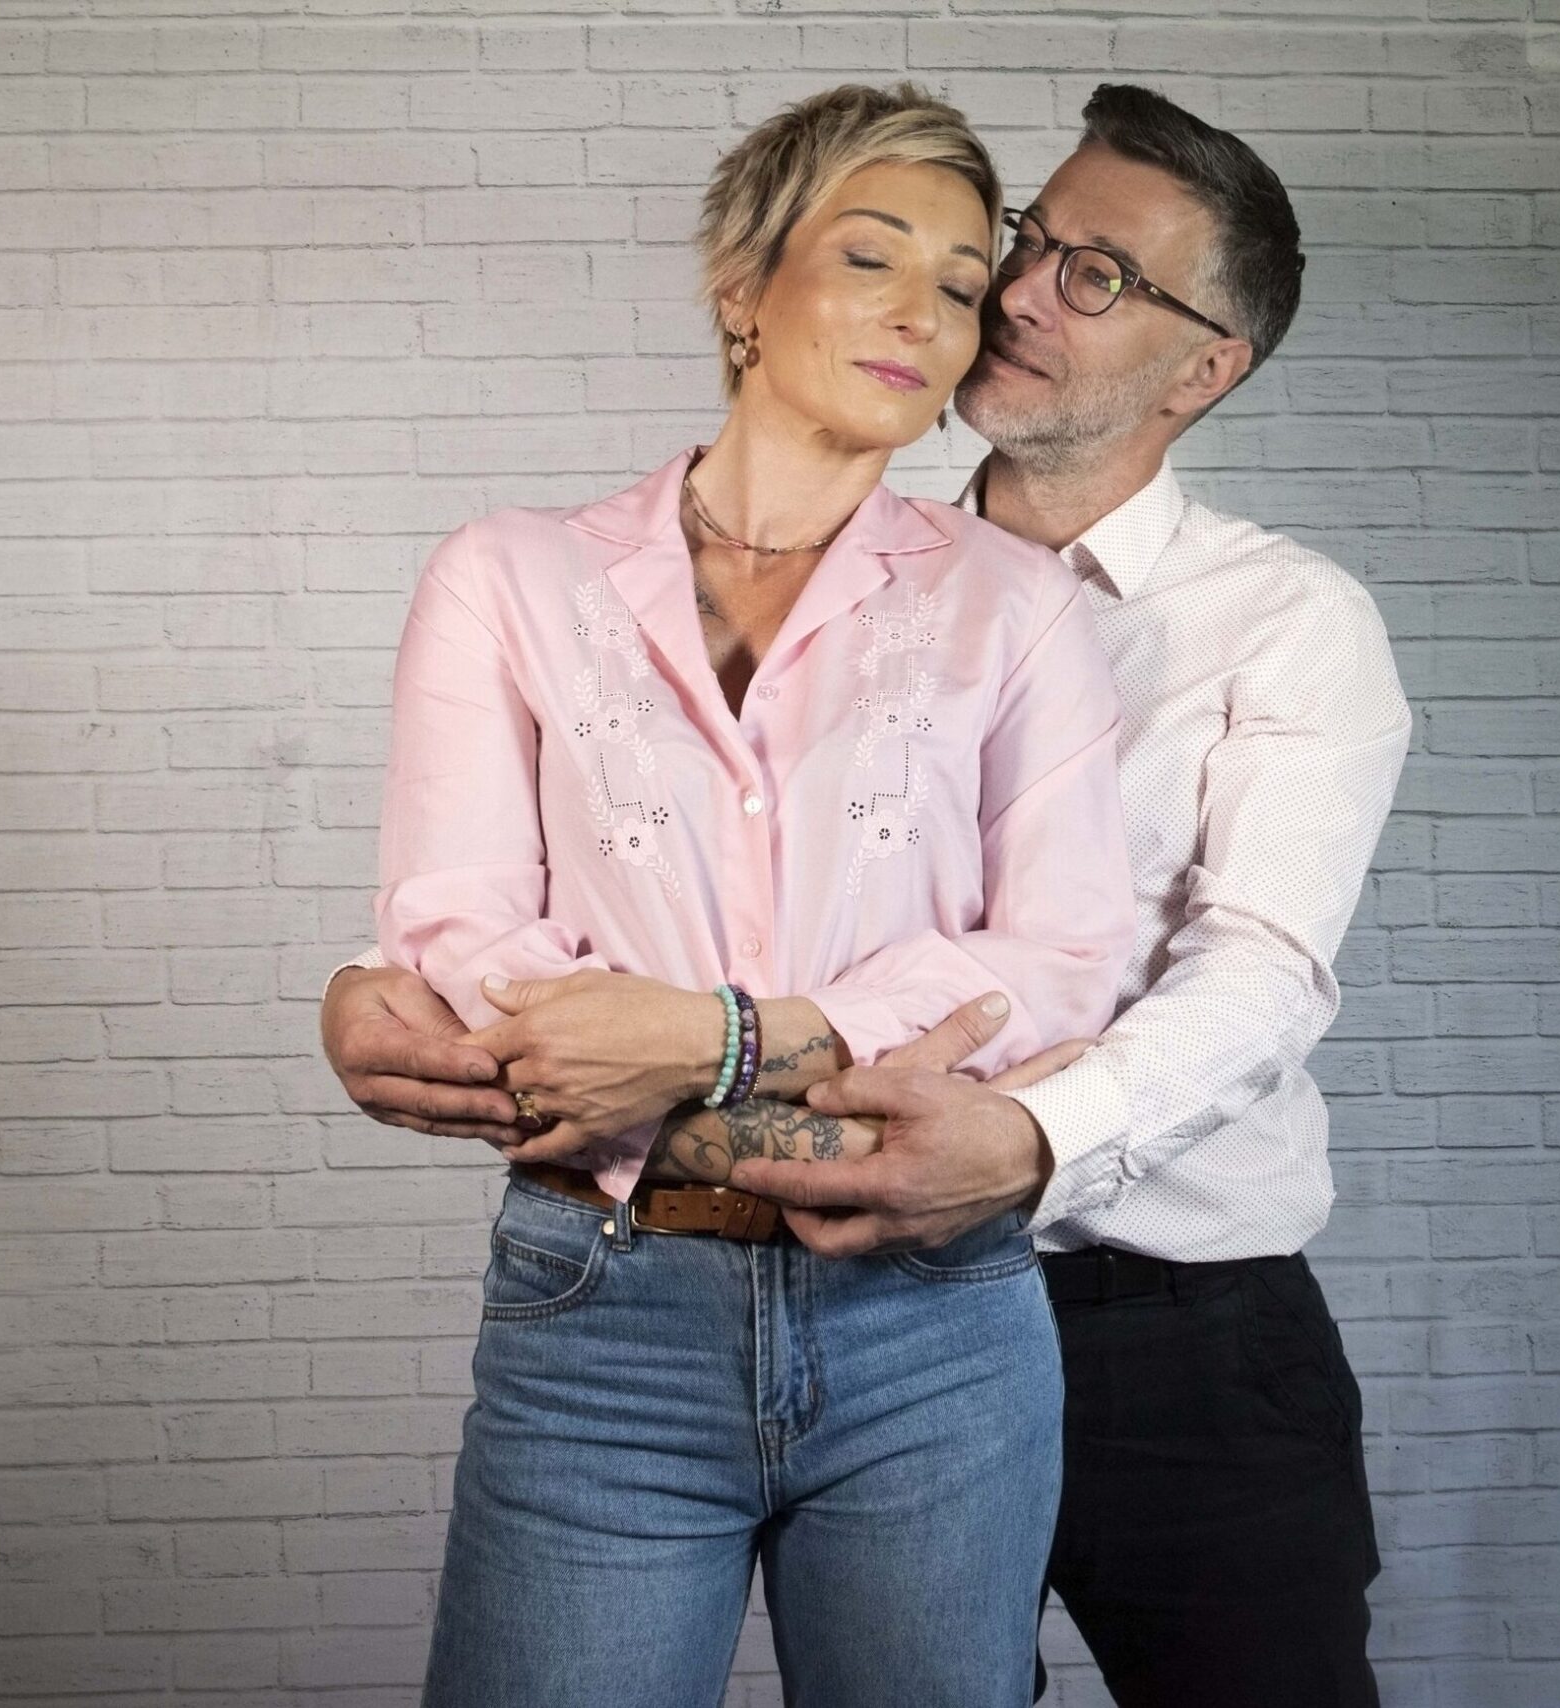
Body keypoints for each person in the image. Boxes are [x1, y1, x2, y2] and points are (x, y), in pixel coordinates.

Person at [326, 85, 1410, 1708]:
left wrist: (1013, 1135)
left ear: (1205, 369)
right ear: (747, 289)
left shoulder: (1281, 620)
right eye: (1027, 246)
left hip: (1152, 1315)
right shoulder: (812, 561)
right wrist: (395, 974)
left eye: (1095, 276)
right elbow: (633, 877)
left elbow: (1251, 975)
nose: (1017, 296)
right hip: (738, 1270)